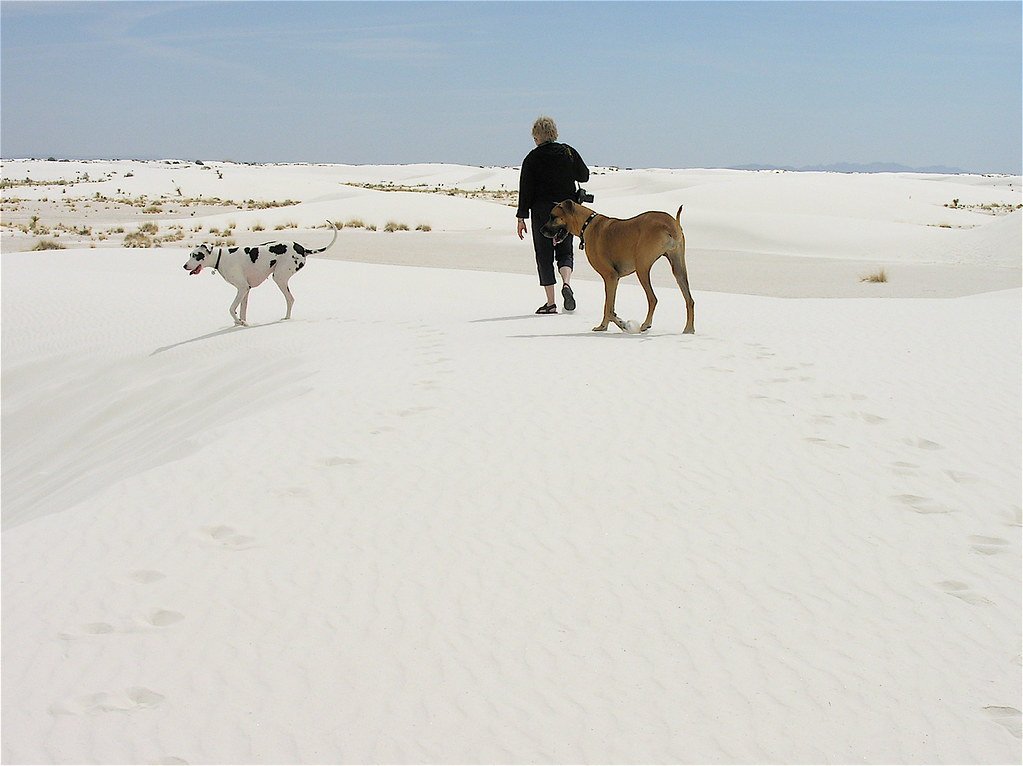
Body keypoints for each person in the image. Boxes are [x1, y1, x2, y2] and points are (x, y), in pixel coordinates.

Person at [516, 116, 589, 314]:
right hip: (566, 211)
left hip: (542, 212)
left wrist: (521, 217)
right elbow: (584, 176)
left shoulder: (532, 158)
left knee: (544, 254)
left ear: (537, 136)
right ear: (554, 133)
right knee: (565, 251)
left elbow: (526, 190)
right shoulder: (568, 151)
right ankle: (566, 283)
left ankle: (551, 303)